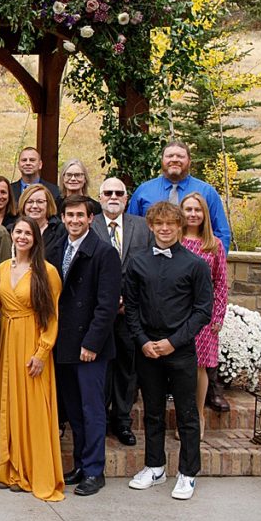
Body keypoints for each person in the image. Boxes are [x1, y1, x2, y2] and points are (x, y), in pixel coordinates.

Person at [125, 201, 212, 500]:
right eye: (158, 223)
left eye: (170, 224)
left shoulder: (195, 264)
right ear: (150, 226)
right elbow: (132, 307)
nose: (164, 228)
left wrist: (174, 341)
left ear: (180, 226)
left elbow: (203, 310)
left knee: (187, 413)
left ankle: (188, 473)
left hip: (180, 349)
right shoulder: (137, 262)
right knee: (152, 412)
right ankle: (155, 466)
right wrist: (143, 341)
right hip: (148, 348)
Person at [0, 217, 64, 501]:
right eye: (18, 231)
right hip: (5, 340)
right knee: (4, 401)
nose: (22, 237)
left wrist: (42, 351)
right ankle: (6, 466)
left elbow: (51, 315)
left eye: (28, 233)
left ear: (35, 238)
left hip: (31, 341)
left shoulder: (47, 271)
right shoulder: (5, 267)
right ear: (12, 234)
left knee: (30, 406)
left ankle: (28, 468)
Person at [46, 195, 121, 497]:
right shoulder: (55, 249)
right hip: (63, 343)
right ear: (62, 218)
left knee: (92, 410)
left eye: (80, 215)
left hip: (90, 346)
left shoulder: (104, 253)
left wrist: (92, 342)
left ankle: (94, 470)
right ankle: (79, 464)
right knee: (74, 410)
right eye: (69, 215)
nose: (74, 220)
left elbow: (106, 306)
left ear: (91, 218)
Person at [90, 177, 151, 447]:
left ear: (126, 199)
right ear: (99, 197)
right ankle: (100, 419)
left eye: (119, 193)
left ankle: (122, 421)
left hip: (131, 311)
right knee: (101, 367)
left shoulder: (141, 227)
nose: (113, 196)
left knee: (128, 367)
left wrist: (131, 299)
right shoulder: (90, 226)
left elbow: (148, 266)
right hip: (98, 311)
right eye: (107, 193)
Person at [180, 192, 229, 438]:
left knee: (198, 367)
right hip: (176, 312)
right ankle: (182, 417)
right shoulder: (174, 241)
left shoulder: (214, 245)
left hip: (204, 315)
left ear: (205, 214)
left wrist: (218, 316)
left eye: (197, 210)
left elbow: (221, 283)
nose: (192, 214)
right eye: (188, 209)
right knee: (179, 367)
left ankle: (197, 416)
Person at [127, 140, 231, 253]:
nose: (175, 159)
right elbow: (130, 228)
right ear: (162, 160)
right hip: (150, 262)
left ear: (189, 161)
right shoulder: (144, 191)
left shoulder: (207, 192)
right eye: (170, 156)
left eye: (180, 156)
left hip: (194, 264)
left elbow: (221, 232)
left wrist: (214, 262)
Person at [14, 183, 64, 252]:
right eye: (30, 202)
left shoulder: (60, 230)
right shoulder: (12, 229)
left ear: (48, 204)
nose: (34, 206)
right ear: (23, 204)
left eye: (40, 202)